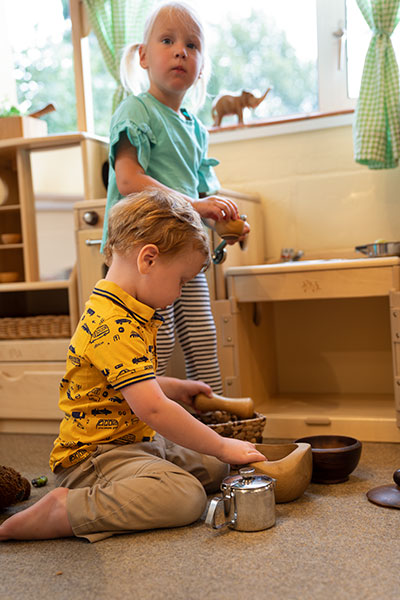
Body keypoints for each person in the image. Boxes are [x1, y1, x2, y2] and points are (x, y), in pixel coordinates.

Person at [0, 189, 264, 543]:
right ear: (148, 259)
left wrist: (174, 387)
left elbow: (129, 384)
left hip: (135, 442)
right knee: (186, 496)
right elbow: (152, 408)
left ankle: (149, 476)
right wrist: (220, 442)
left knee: (216, 466)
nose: (180, 291)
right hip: (95, 459)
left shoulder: (127, 309)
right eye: (181, 281)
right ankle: (65, 509)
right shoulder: (114, 322)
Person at [101, 0, 249, 394]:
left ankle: (217, 424)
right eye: (168, 41)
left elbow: (204, 193)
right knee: (153, 344)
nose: (182, 50)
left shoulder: (196, 129)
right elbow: (130, 179)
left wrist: (226, 221)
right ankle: (147, 427)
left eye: (193, 45)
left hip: (184, 252)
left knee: (203, 338)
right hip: (141, 253)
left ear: (202, 67)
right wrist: (195, 205)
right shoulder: (136, 110)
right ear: (144, 57)